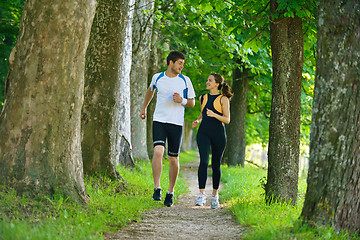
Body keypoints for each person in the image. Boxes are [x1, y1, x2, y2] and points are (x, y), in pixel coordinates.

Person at [140, 50, 196, 207]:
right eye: (180, 63)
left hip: (176, 123)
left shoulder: (185, 80)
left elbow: (192, 102)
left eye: (183, 64)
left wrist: (182, 100)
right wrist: (144, 108)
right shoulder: (157, 77)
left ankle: (170, 192)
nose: (181, 67)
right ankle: (157, 187)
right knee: (158, 151)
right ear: (170, 62)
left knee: (173, 159)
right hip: (159, 120)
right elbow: (150, 91)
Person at [192, 73, 233, 209]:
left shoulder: (223, 99)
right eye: (207, 80)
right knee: (203, 162)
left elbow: (227, 120)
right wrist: (198, 120)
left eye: (210, 80)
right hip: (203, 132)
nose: (207, 82)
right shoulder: (202, 97)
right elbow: (203, 112)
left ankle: (215, 196)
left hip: (218, 134)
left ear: (217, 84)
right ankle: (201, 194)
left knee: (216, 165)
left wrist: (215, 114)